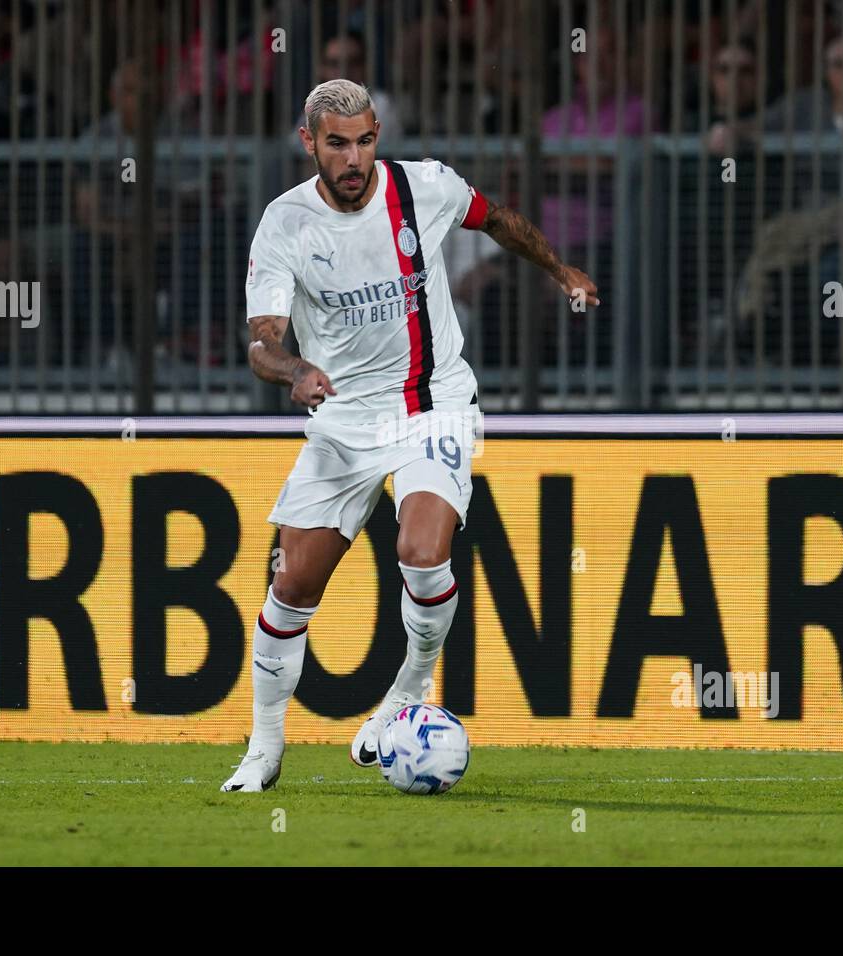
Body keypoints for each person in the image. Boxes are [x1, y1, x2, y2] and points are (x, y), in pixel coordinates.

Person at [222, 78, 598, 792]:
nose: (355, 157)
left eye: (365, 139)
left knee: (422, 553)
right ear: (310, 144)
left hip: (433, 404)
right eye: (338, 143)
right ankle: (264, 750)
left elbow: (496, 219)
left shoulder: (423, 187)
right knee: (292, 587)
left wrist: (558, 269)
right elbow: (261, 342)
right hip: (341, 417)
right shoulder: (284, 224)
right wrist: (295, 372)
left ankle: (405, 692)